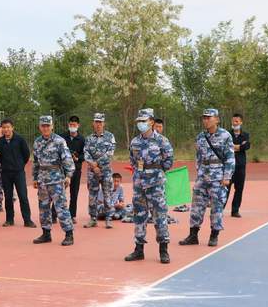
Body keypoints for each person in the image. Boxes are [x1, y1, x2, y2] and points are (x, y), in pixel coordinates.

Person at [124, 110, 174, 264]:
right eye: (138, 120)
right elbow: (132, 160)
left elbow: (168, 161)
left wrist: (156, 171)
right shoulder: (135, 142)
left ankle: (163, 250)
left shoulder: (162, 141)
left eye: (143, 120)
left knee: (160, 216)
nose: (140, 123)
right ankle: (139, 249)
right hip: (139, 184)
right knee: (139, 216)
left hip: (156, 184)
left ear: (151, 122)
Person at [180, 109, 235, 247]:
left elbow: (230, 158)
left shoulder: (225, 135)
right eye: (204, 118)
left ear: (216, 119)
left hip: (218, 177)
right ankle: (193, 235)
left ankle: (214, 235)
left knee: (216, 206)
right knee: (196, 206)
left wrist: (227, 176)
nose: (205, 120)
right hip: (202, 176)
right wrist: (199, 172)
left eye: (208, 118)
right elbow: (198, 157)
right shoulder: (200, 137)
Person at [32, 116, 75, 246]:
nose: (45, 128)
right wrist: (34, 177)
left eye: (47, 126)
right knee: (43, 207)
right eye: (43, 126)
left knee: (61, 207)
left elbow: (67, 159)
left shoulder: (59, 141)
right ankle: (46, 233)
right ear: (39, 127)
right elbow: (35, 161)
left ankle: (69, 234)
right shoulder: (37, 142)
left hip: (56, 179)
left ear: (52, 126)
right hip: (42, 179)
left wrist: (68, 175)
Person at [0, 118, 35, 227]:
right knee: (8, 197)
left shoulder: (20, 139)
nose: (6, 129)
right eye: (4, 127)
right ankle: (9, 219)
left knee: (23, 196)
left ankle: (27, 220)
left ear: (12, 127)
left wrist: (20, 164)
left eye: (8, 127)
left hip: (18, 172)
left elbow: (26, 154)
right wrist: (5, 165)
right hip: (6, 173)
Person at [84, 113, 116, 229]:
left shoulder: (110, 136)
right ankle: (93, 219)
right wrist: (93, 165)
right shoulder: (88, 138)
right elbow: (86, 153)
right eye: (96, 122)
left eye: (100, 122)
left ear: (104, 124)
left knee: (107, 194)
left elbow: (110, 153)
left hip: (106, 170)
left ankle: (108, 219)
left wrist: (97, 164)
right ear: (93, 123)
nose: (98, 124)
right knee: (92, 195)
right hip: (92, 172)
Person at [53, 116, 85, 224]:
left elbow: (85, 154)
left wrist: (78, 158)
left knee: (74, 193)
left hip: (76, 169)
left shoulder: (82, 139)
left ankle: (72, 215)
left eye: (74, 125)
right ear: (68, 125)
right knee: (58, 192)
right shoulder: (62, 137)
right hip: (63, 170)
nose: (72, 127)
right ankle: (54, 215)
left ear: (78, 125)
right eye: (71, 125)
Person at [226, 113, 250, 218]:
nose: (234, 123)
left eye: (237, 121)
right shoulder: (226, 134)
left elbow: (246, 146)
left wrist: (238, 147)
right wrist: (239, 146)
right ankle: (219, 209)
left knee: (239, 189)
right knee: (225, 189)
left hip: (240, 166)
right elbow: (227, 146)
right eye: (233, 121)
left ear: (241, 122)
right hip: (228, 167)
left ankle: (235, 211)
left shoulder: (245, 135)